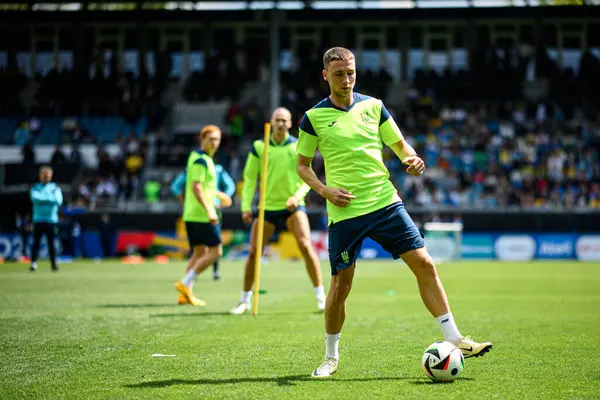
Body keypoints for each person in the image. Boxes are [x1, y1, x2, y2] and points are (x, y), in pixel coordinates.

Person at [296, 47, 492, 378]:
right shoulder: (312, 117)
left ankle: (455, 338)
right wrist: (324, 190)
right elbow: (302, 166)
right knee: (341, 287)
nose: (347, 79)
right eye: (340, 73)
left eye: (351, 72)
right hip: (345, 212)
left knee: (426, 264)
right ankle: (330, 357)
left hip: (385, 202)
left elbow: (401, 146)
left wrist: (411, 159)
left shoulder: (374, 106)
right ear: (325, 76)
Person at [230, 107, 326, 315]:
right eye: (277, 120)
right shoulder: (259, 146)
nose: (281, 123)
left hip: (292, 206)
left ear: (290, 124)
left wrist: (297, 197)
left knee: (306, 246)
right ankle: (244, 300)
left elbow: (308, 178)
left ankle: (320, 296)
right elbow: (249, 178)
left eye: (284, 120)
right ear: (271, 122)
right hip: (266, 208)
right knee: (254, 253)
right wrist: (246, 206)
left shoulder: (297, 145)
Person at [174, 125, 231, 306]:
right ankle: (184, 283)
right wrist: (209, 211)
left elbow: (204, 187)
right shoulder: (201, 160)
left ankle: (185, 294)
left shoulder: (197, 157)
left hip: (192, 214)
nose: (215, 143)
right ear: (202, 139)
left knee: (199, 252)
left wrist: (219, 195)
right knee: (216, 251)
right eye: (211, 139)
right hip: (202, 214)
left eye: (217, 139)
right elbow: (196, 187)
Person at [170, 163, 236, 284]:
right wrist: (223, 198)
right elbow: (230, 186)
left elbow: (175, 187)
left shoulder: (191, 168)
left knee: (199, 250)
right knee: (215, 247)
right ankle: (189, 281)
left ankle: (187, 287)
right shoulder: (217, 169)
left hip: (191, 212)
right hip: (210, 212)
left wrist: (184, 202)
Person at [29, 166, 63, 272]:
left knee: (51, 243)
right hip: (38, 220)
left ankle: (53, 264)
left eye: (48, 175)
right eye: (44, 175)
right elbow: (35, 199)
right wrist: (50, 198)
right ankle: (33, 263)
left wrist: (43, 198)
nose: (46, 177)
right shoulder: (35, 187)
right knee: (36, 243)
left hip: (51, 220)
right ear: (40, 175)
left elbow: (58, 201)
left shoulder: (55, 188)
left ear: (51, 176)